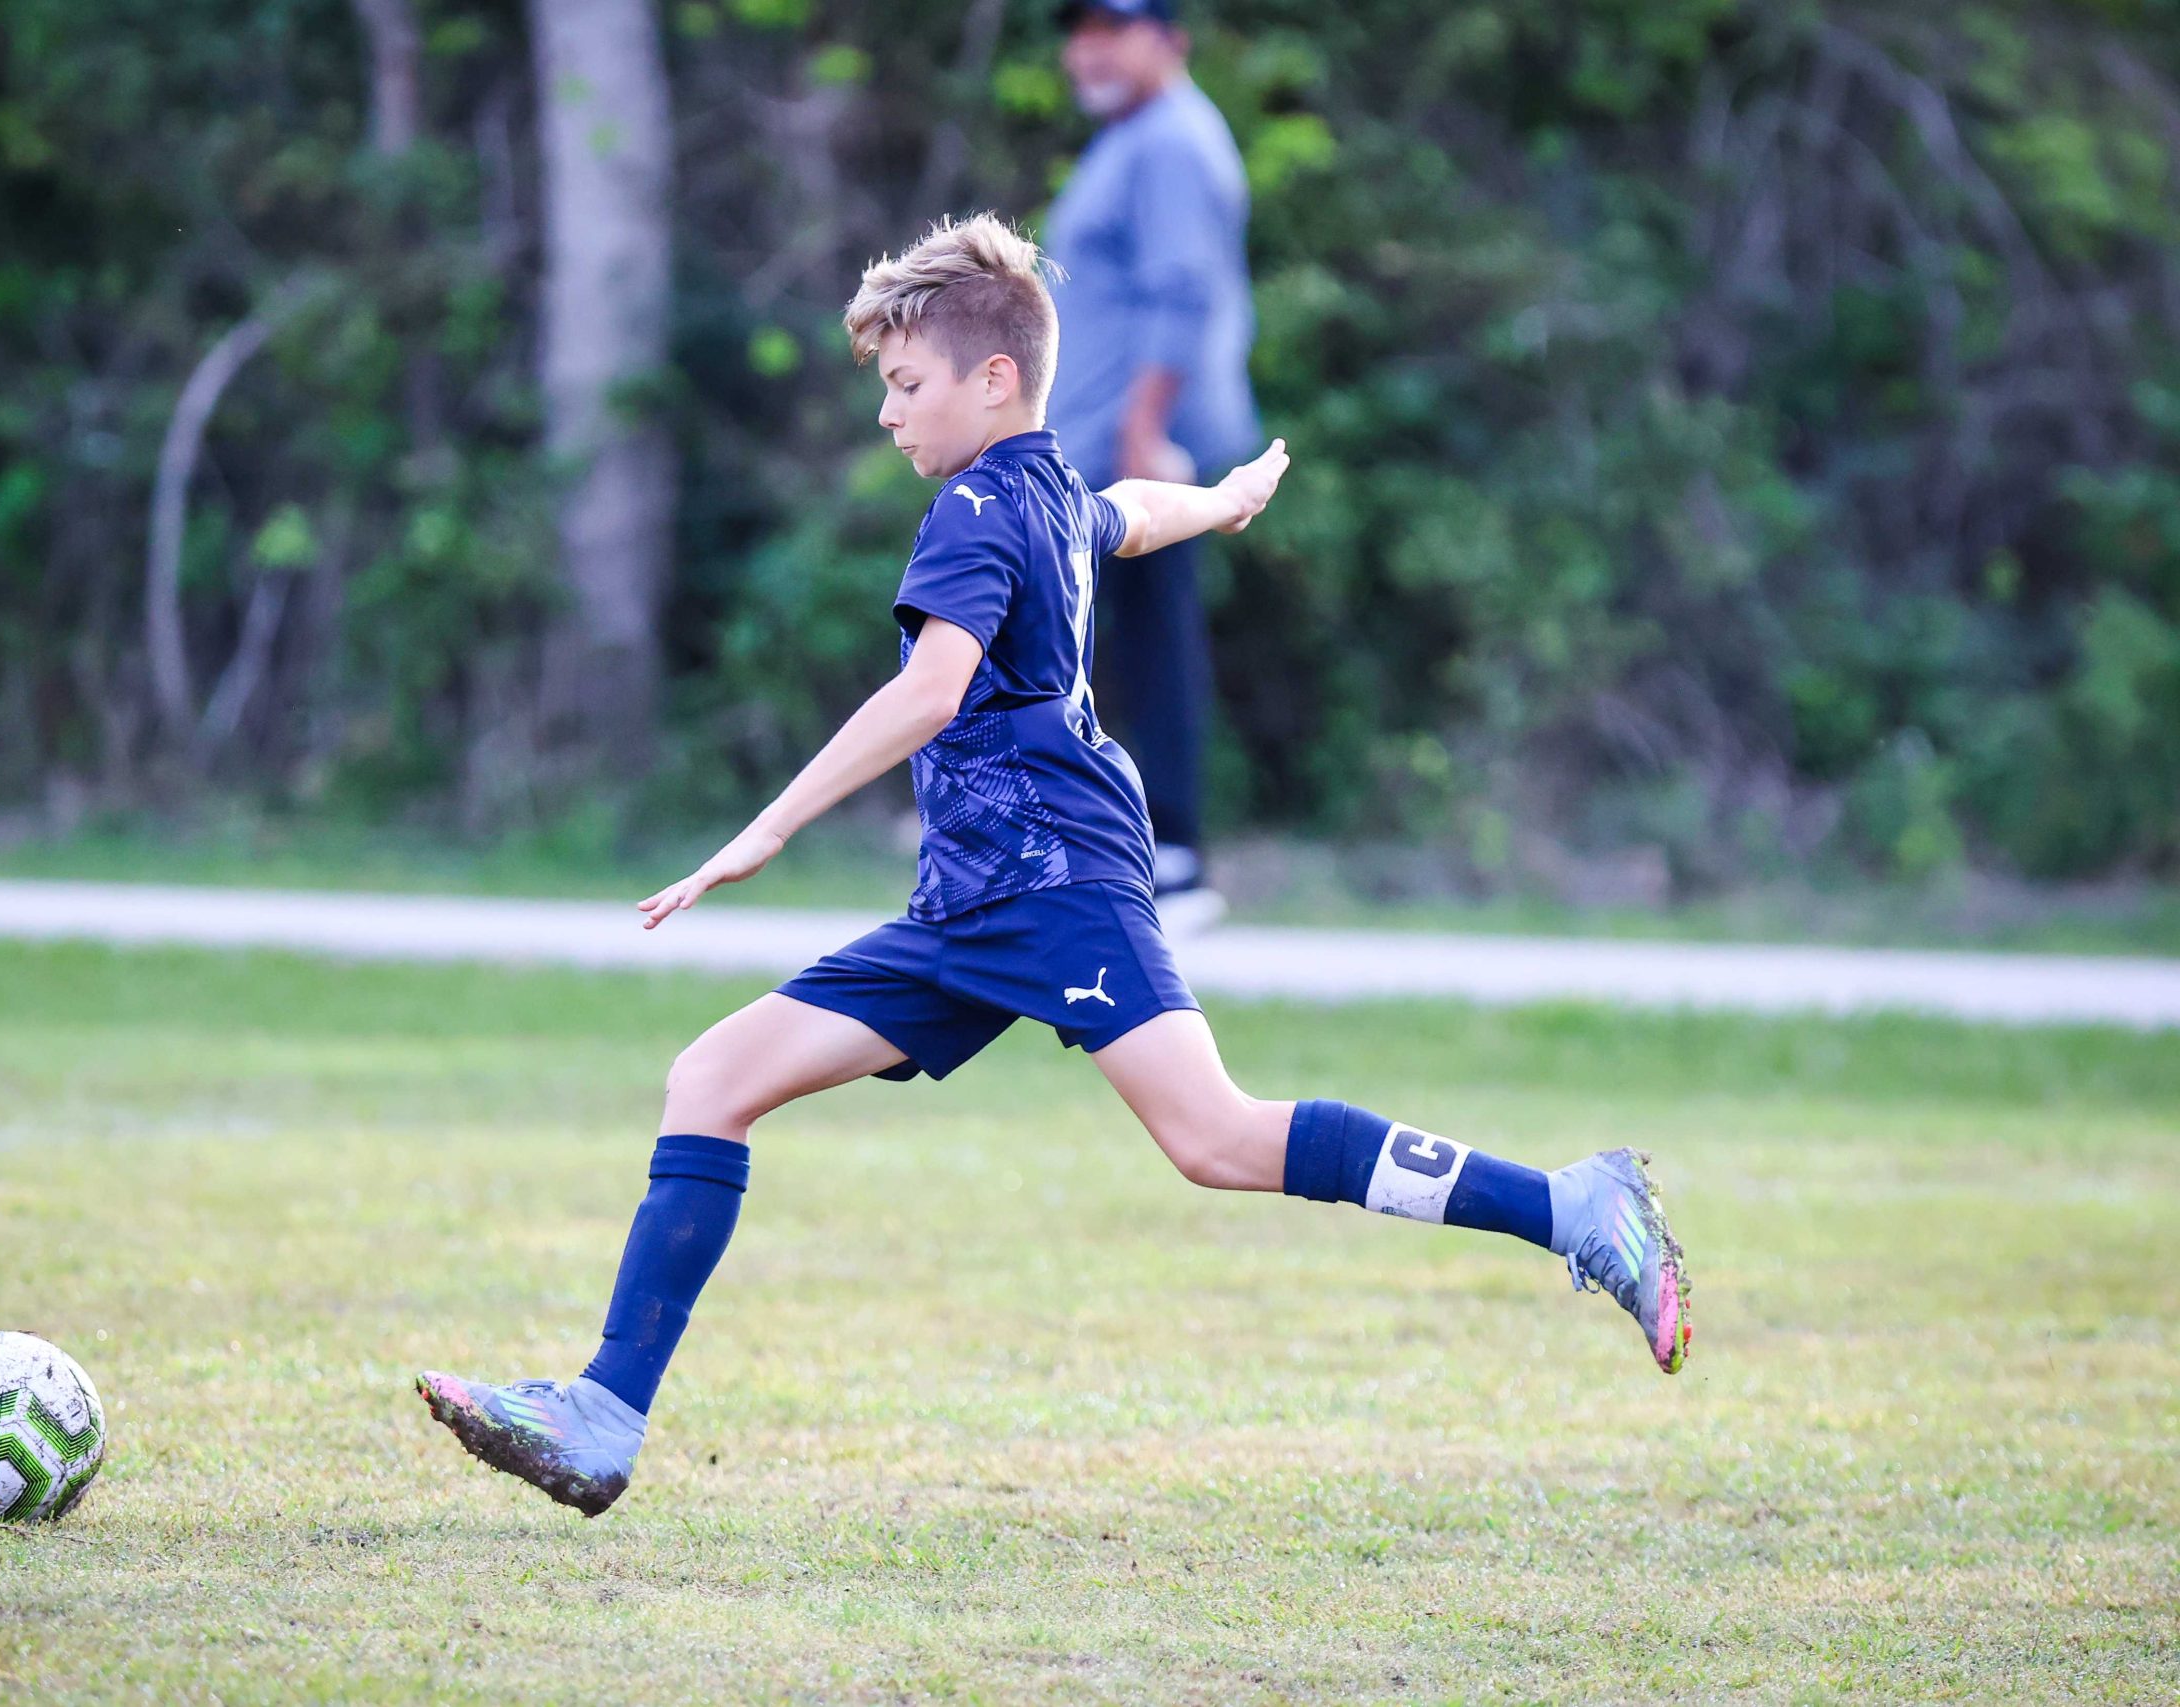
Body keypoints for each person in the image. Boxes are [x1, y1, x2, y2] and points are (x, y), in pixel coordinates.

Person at [415, 217, 1690, 1518]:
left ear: (994, 380)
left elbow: (930, 690)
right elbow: (1129, 516)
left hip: (1058, 885)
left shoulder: (973, 508)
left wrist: (771, 825)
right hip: (970, 905)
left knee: (1217, 1136)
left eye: (905, 386)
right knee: (713, 1075)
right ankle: (602, 1415)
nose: (887, 415)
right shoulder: (1046, 491)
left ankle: (1574, 1205)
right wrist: (1228, 501)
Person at [1045, 0, 1259, 926]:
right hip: (1105, 445)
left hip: (1143, 448)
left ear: (1170, 40)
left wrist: (1144, 434)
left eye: (1113, 26)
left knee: (1150, 641)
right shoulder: (1134, 139)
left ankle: (1173, 856)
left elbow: (1183, 292)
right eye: (1079, 28)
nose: (1089, 46)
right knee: (1106, 641)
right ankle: (1134, 851)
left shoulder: (1171, 141)